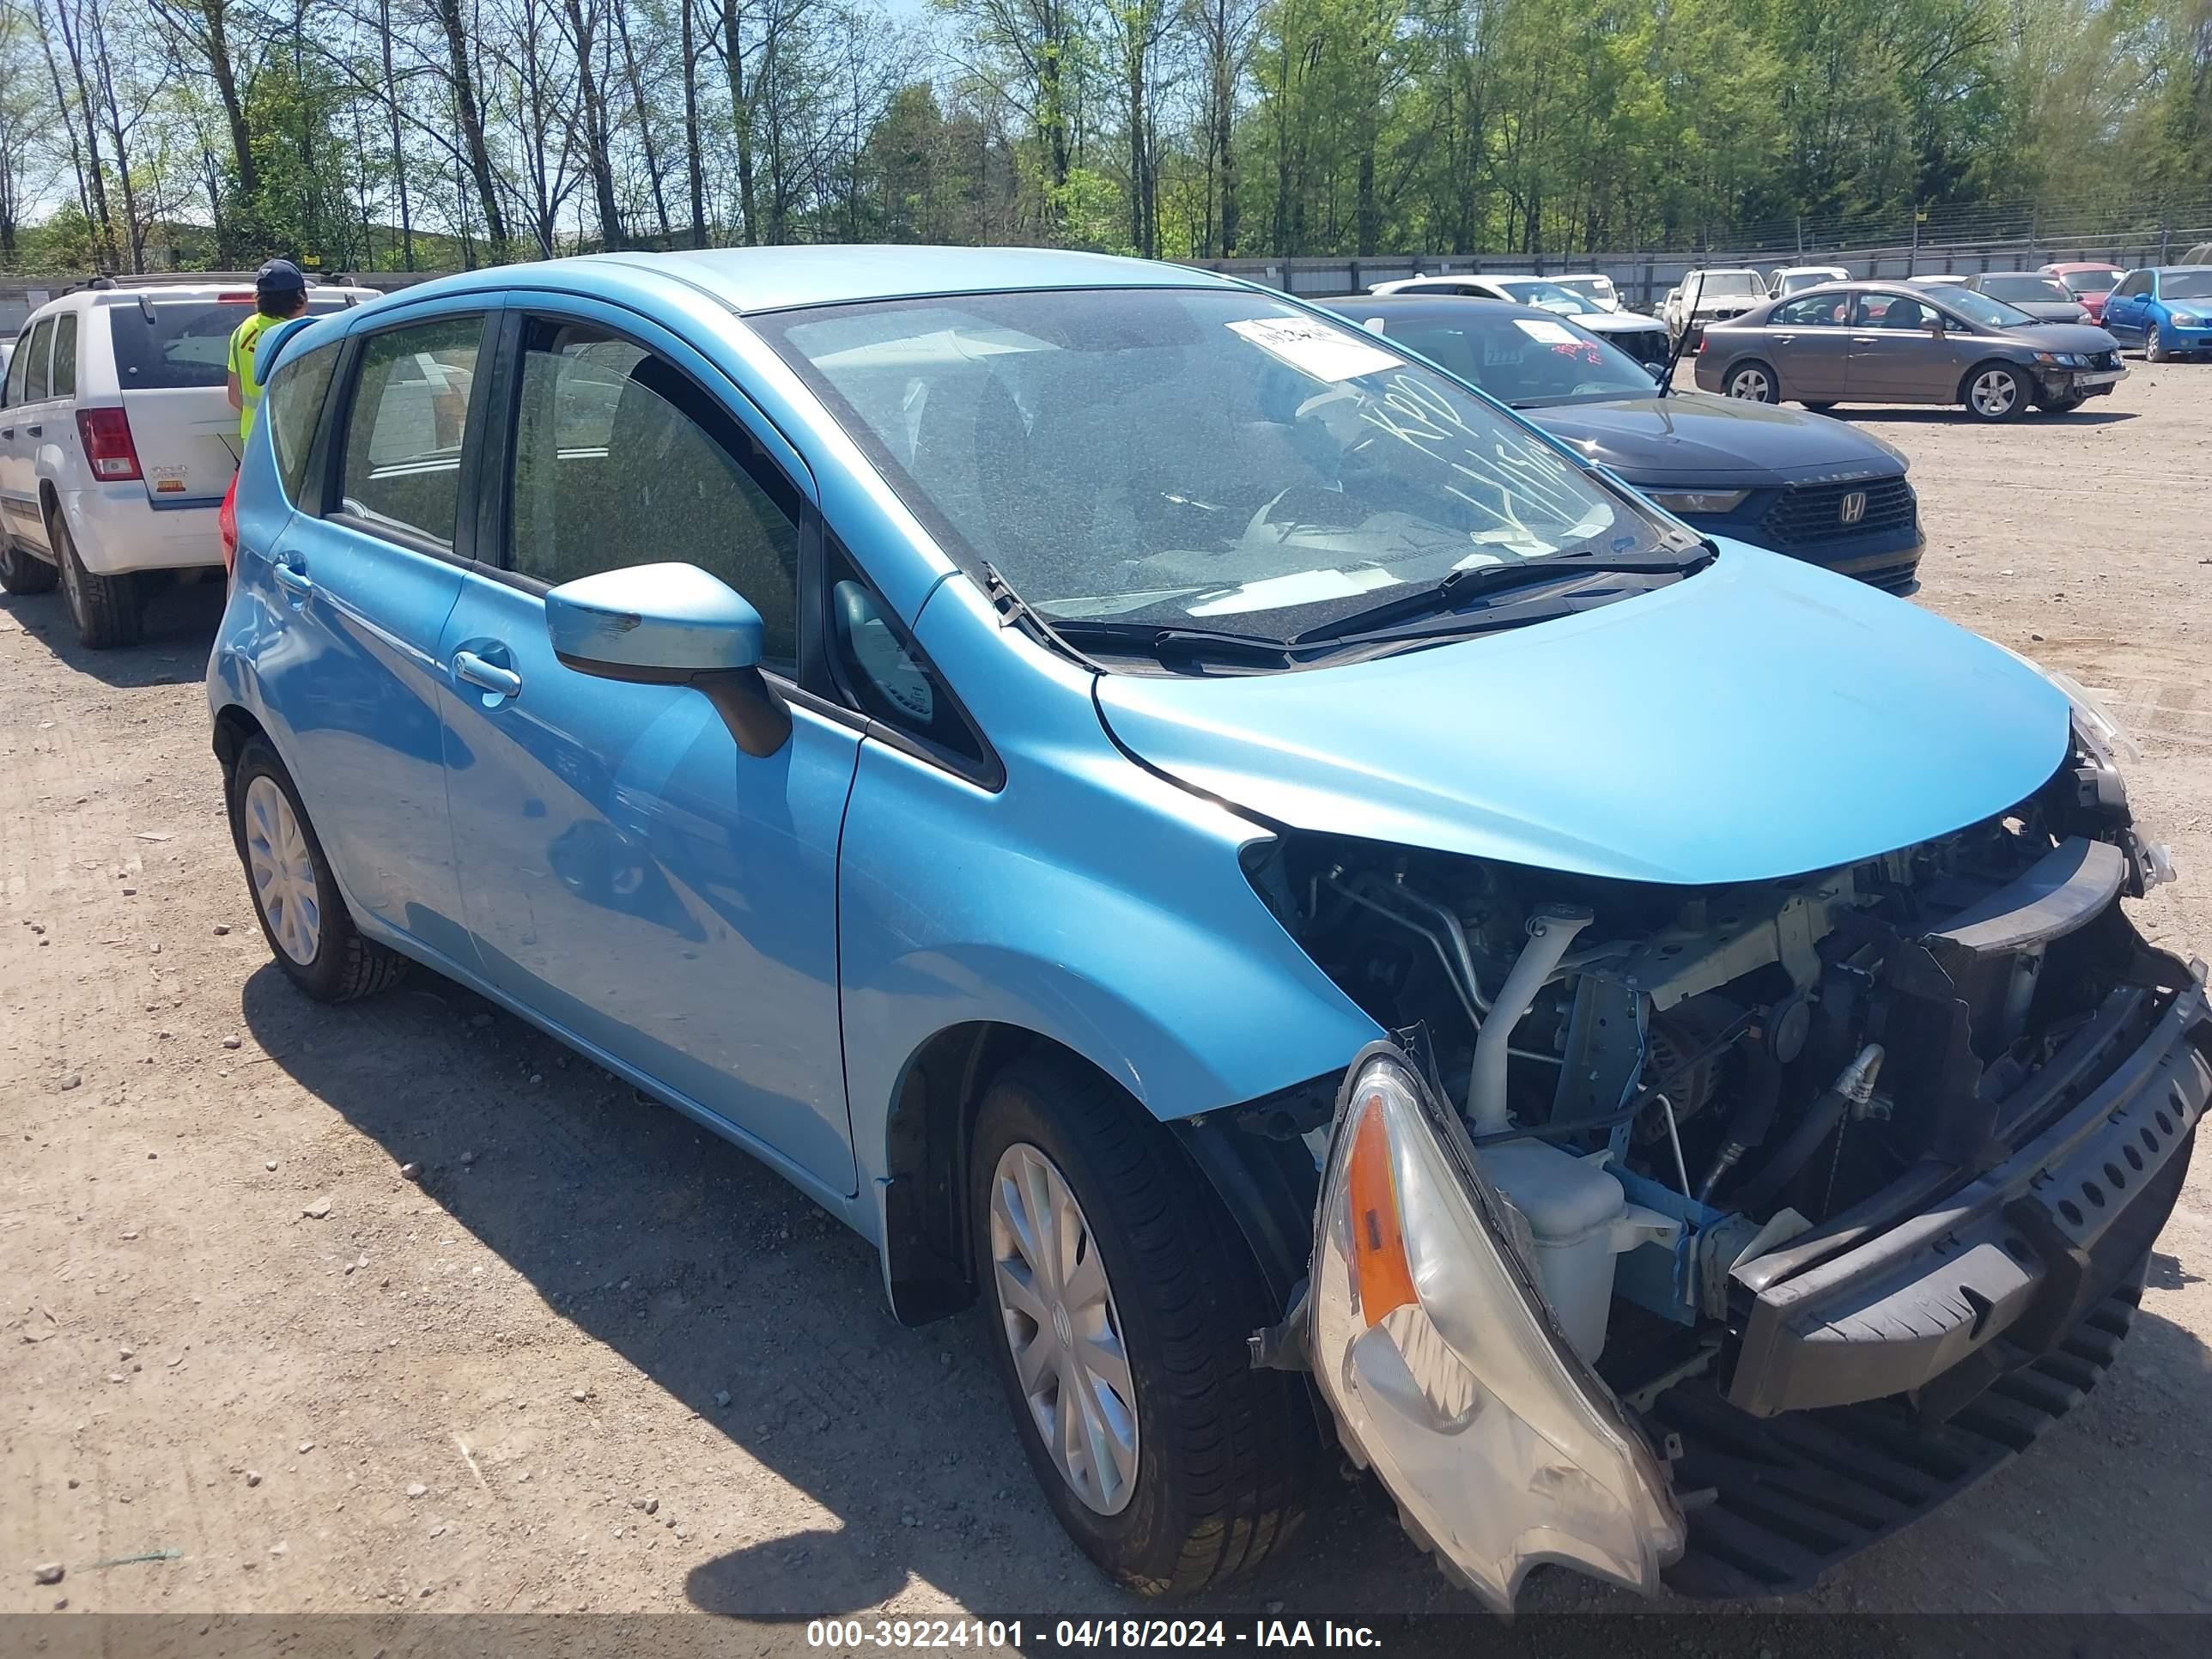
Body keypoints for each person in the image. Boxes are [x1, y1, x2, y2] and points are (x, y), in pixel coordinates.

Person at [227, 258, 311, 444]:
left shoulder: (242, 331)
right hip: (291, 443)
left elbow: (234, 395)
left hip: (253, 440)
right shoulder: (301, 334)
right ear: (300, 297)